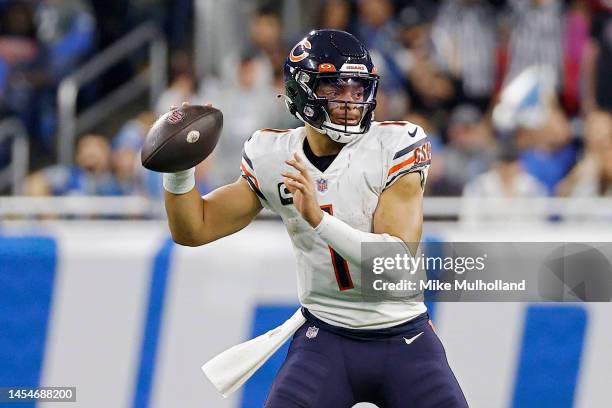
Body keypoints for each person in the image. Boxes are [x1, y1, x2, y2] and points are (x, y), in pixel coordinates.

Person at [163, 30, 467, 407]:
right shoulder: (273, 155)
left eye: (359, 90)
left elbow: (397, 263)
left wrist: (319, 220)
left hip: (403, 337)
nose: (350, 102)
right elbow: (194, 228)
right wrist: (178, 170)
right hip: (325, 337)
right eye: (336, 89)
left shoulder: (394, 146)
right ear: (301, 90)